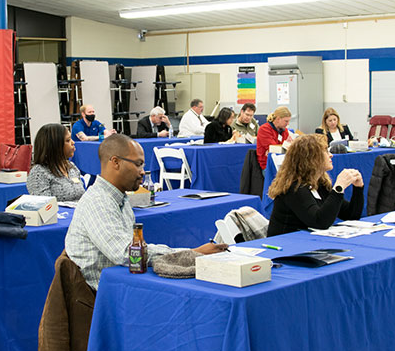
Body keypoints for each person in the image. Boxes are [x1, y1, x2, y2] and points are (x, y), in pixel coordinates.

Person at [65, 134, 228, 291]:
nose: (143, 171)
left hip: (122, 283)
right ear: (115, 162)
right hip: (104, 295)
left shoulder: (119, 199)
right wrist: (190, 254)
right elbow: (126, 253)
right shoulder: (98, 202)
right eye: (138, 164)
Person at [267, 134, 364, 237]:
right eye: (326, 151)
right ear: (311, 158)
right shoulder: (294, 187)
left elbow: (351, 215)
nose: (331, 155)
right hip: (286, 246)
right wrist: (338, 188)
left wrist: (358, 188)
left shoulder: (320, 184)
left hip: (306, 241)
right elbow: (319, 222)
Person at [27, 123, 85, 201]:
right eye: (68, 140)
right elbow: (44, 206)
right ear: (54, 145)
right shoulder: (39, 172)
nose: (73, 143)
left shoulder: (71, 167)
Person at [256, 106, 293, 170]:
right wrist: (287, 145)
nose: (288, 124)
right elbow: (274, 149)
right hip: (268, 165)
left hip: (283, 163)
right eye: (286, 121)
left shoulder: (284, 130)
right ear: (278, 119)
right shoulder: (264, 129)